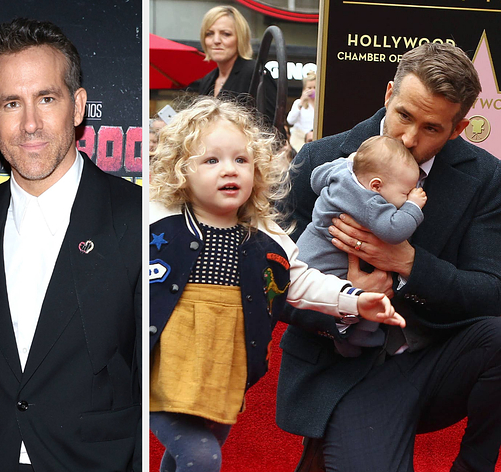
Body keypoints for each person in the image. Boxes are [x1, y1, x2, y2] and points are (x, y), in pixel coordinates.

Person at [276, 42, 501, 472]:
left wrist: (409, 264)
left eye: (432, 128)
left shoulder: (488, 178)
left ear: (458, 129)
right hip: (347, 365)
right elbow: (269, 283)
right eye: (403, 115)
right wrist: (344, 300)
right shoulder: (321, 158)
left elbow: (490, 293)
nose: (410, 139)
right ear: (387, 95)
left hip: (434, 357)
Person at [148, 97, 405, 472]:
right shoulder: (155, 221)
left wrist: (355, 300)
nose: (229, 170)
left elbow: (300, 282)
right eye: (211, 160)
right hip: (164, 372)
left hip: (224, 373)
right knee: (201, 456)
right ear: (181, 171)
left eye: (240, 160)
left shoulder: (265, 237)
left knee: (189, 454)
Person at [0, 18, 141, 472]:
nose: (30, 123)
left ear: (78, 105)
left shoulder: (135, 216)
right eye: (11, 103)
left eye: (46, 99)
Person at [297, 135, 427, 279]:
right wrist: (413, 205)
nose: (409, 195)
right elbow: (395, 230)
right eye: (406, 192)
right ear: (376, 186)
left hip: (305, 253)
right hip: (326, 271)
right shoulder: (371, 203)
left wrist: (348, 163)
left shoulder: (341, 173)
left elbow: (316, 178)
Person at [187, 6, 275, 120]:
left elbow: (273, 128)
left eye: (226, 34)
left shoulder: (254, 72)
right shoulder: (207, 80)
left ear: (240, 38)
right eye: (209, 34)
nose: (216, 40)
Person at [287, 71, 316, 152]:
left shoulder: (320, 105)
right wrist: (301, 102)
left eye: (315, 87)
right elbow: (290, 121)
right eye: (309, 88)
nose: (312, 90)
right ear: (304, 89)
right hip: (299, 141)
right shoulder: (298, 103)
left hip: (314, 140)